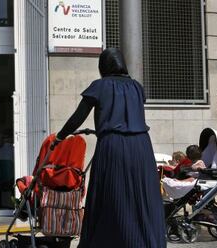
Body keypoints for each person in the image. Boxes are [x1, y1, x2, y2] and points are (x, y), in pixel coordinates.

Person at [55, 48, 166, 248]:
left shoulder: (100, 86)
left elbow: (77, 117)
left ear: (103, 66)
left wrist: (60, 137)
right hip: (141, 146)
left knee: (110, 195)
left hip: (113, 145)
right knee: (142, 196)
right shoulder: (136, 87)